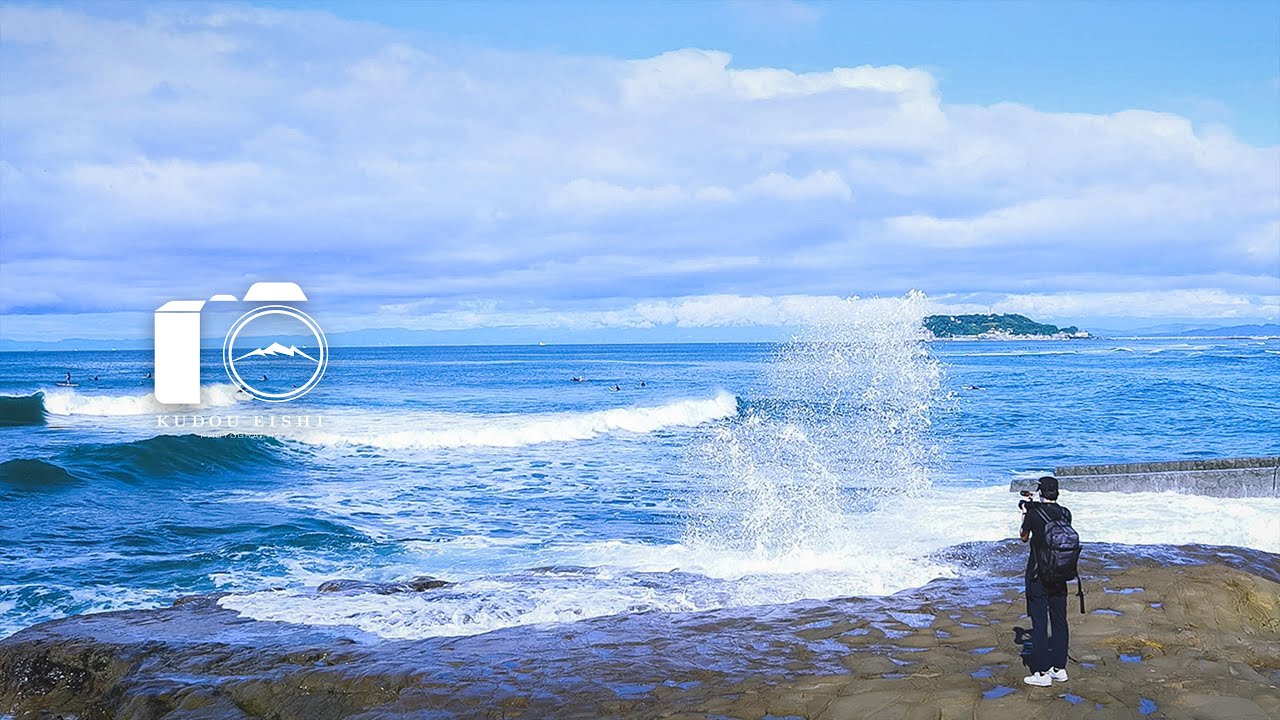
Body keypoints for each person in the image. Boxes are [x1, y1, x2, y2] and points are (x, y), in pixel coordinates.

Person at [1020, 476, 1071, 687]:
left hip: (1038, 575)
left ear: (1041, 492)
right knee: (1060, 621)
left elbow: (1024, 537)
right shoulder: (1066, 513)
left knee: (1039, 623)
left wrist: (1024, 513)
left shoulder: (1033, 514)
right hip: (1060, 574)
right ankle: (1059, 668)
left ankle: (1041, 673)